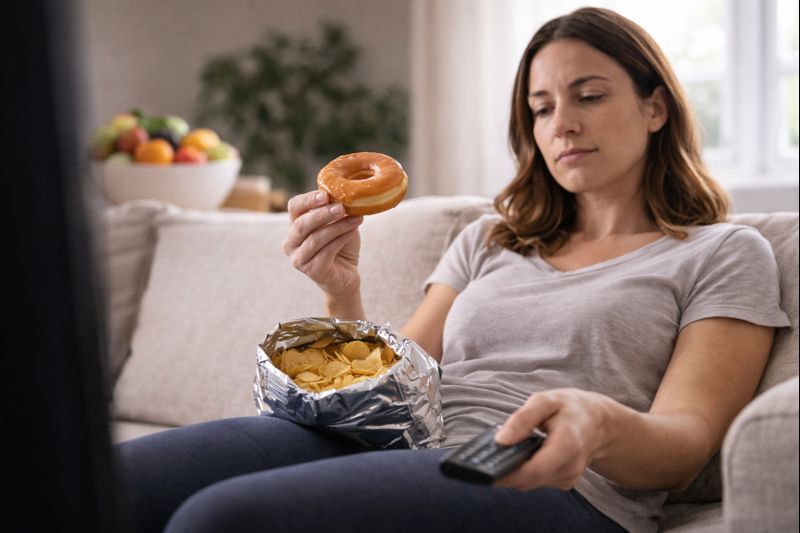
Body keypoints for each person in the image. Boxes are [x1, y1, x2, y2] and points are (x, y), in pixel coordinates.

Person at [115, 7, 789, 533]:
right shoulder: (491, 241)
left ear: (655, 107)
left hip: (549, 479)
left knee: (221, 521)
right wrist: (340, 286)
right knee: (102, 483)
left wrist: (601, 421)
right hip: (401, 441)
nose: (561, 124)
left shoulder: (720, 253)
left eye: (588, 96)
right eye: (542, 106)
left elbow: (688, 439)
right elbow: (395, 383)